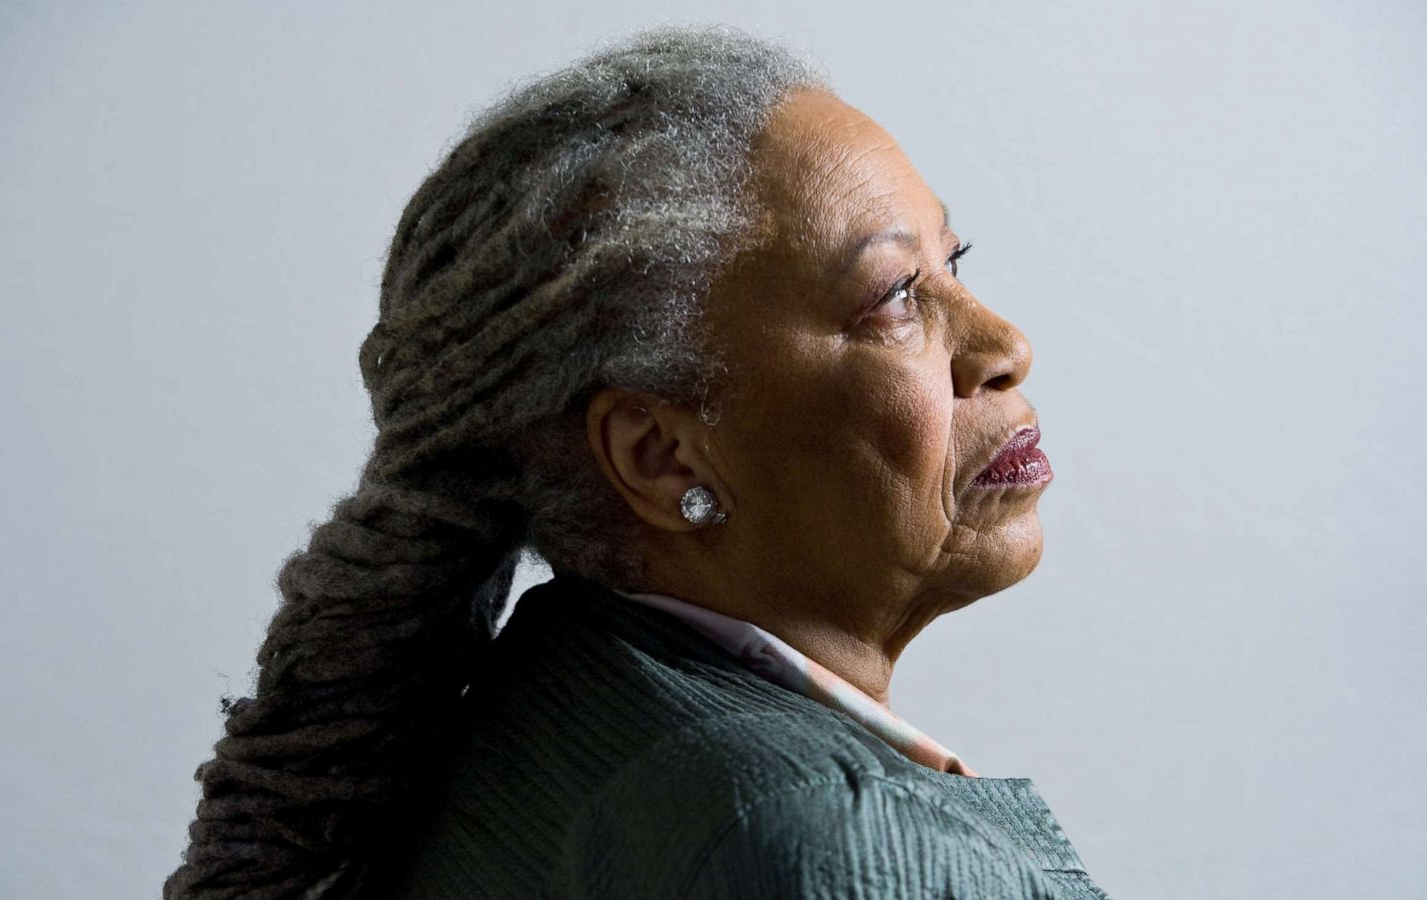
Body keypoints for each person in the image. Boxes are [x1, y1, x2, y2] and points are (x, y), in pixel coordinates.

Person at [164, 24, 1109, 900]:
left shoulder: (556, 693)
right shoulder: (810, 843)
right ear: (660, 457)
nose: (1004, 344)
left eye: (957, 261)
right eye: (897, 296)